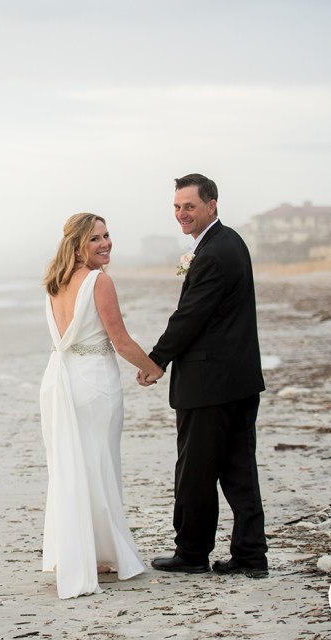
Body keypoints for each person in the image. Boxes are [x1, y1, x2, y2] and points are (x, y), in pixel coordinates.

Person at [138, 173, 268, 578]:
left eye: (190, 206)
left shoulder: (212, 253)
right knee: (239, 471)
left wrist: (156, 359)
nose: (182, 214)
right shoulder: (231, 242)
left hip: (209, 383)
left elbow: (190, 316)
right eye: (177, 207)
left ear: (212, 205)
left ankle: (192, 553)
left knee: (195, 470)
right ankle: (251, 555)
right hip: (239, 379)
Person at [39, 212, 164, 599]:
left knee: (73, 466)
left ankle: (83, 553)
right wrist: (154, 367)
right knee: (99, 465)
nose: (106, 243)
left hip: (60, 380)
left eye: (107, 235)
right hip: (93, 382)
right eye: (95, 238)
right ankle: (95, 553)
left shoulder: (55, 282)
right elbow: (121, 340)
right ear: (78, 245)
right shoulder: (98, 281)